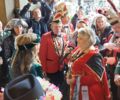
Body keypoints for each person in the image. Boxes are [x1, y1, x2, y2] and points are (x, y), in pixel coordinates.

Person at [66, 27, 111, 100]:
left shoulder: (94, 56)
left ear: (88, 41)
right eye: (77, 37)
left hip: (89, 93)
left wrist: (75, 80)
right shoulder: (80, 48)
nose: (77, 40)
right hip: (78, 89)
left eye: (80, 38)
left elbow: (96, 77)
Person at [39, 12, 67, 87]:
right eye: (55, 27)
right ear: (51, 27)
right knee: (52, 87)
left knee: (61, 85)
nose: (57, 29)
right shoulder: (45, 37)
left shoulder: (64, 35)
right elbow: (42, 55)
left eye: (59, 27)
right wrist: (44, 69)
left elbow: (65, 50)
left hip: (61, 66)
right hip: (50, 68)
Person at [0, 18, 28, 87]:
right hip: (14, 67)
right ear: (13, 28)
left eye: (20, 27)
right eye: (16, 27)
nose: (19, 29)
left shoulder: (25, 37)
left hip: (25, 65)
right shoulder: (7, 40)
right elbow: (7, 57)